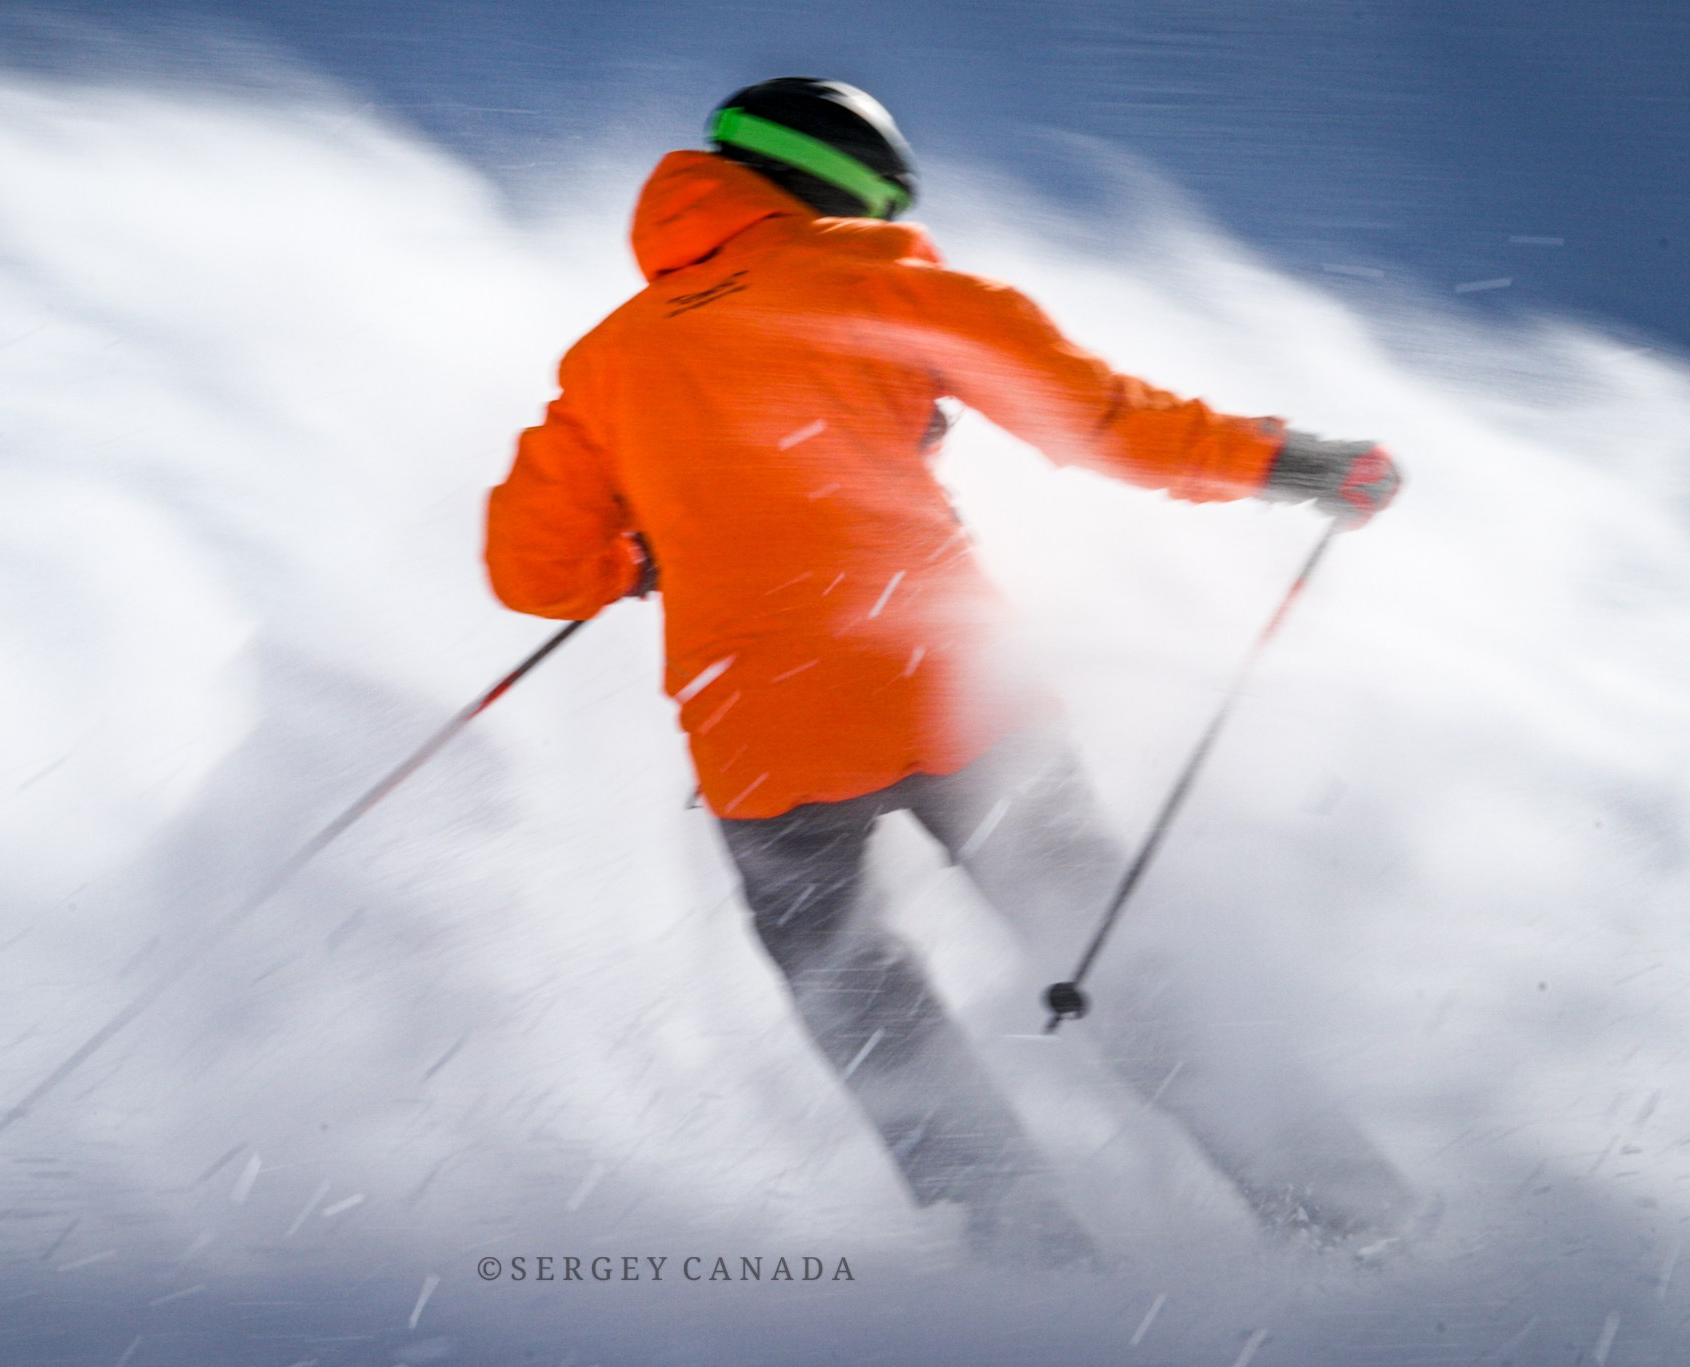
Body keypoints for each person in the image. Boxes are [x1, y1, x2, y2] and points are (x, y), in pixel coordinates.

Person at [483, 77, 1409, 1262]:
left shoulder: (611, 355)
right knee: (1113, 961)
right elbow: (1104, 425)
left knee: (868, 1019)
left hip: (762, 751)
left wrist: (640, 555)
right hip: (949, 688)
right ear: (846, 185)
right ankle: (1356, 1226)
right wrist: (1299, 463)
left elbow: (532, 569)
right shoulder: (885, 280)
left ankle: (1030, 1274)